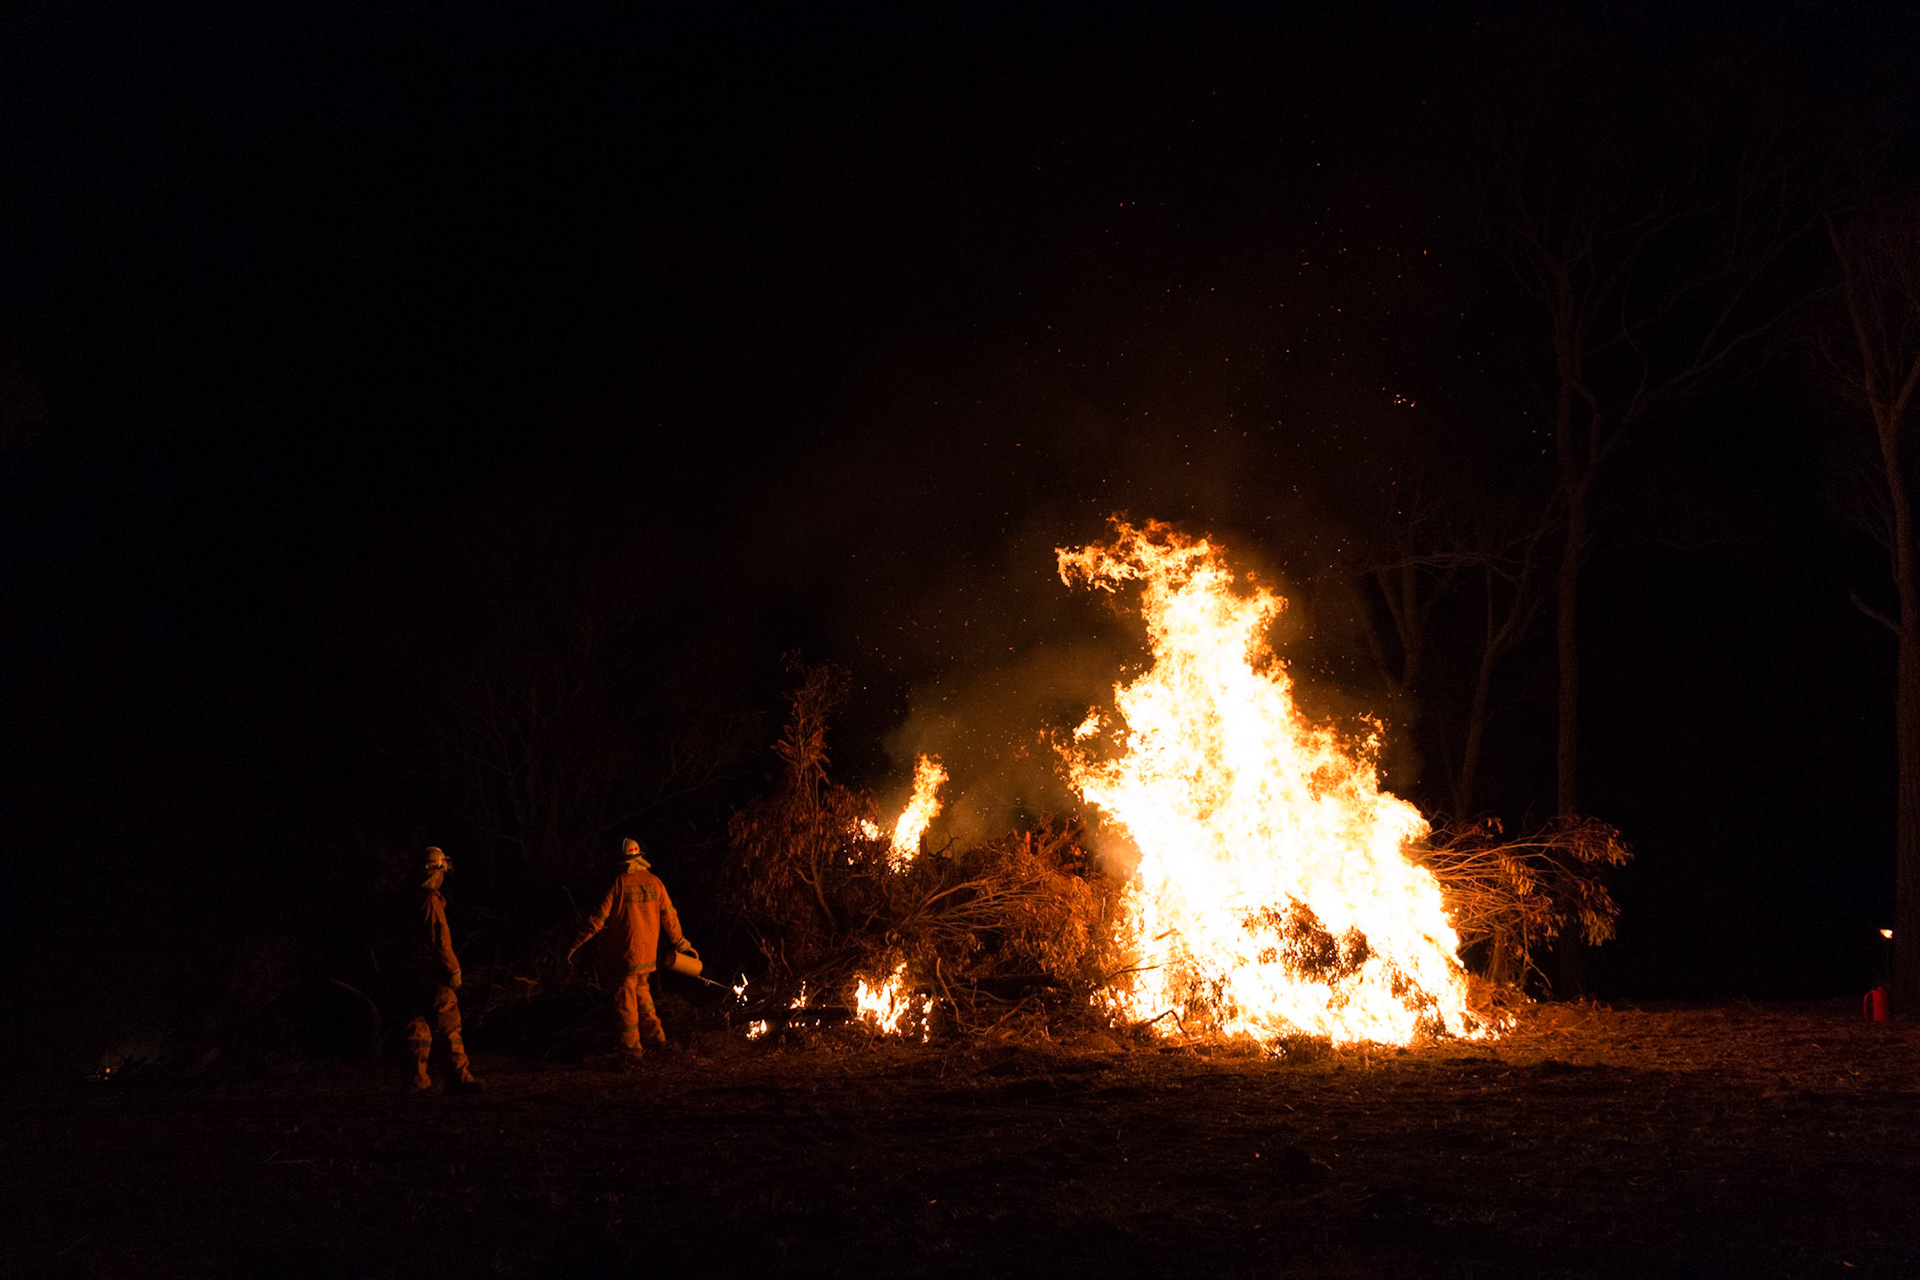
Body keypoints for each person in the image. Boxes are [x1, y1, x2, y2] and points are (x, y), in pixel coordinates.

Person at [568, 838, 692, 1063]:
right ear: (640, 858)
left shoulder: (619, 884)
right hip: (646, 955)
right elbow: (669, 916)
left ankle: (632, 1051)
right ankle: (657, 1039)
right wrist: (680, 942)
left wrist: (576, 943)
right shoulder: (655, 882)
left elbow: (598, 919)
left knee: (625, 1003)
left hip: (625, 955)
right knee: (643, 994)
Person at [404, 846, 482, 1095]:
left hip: (414, 973)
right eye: (442, 869)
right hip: (434, 973)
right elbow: (440, 940)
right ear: (435, 870)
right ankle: (458, 1078)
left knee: (418, 1024)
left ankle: (416, 1080)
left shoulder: (411, 898)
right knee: (449, 1025)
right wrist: (453, 970)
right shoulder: (430, 902)